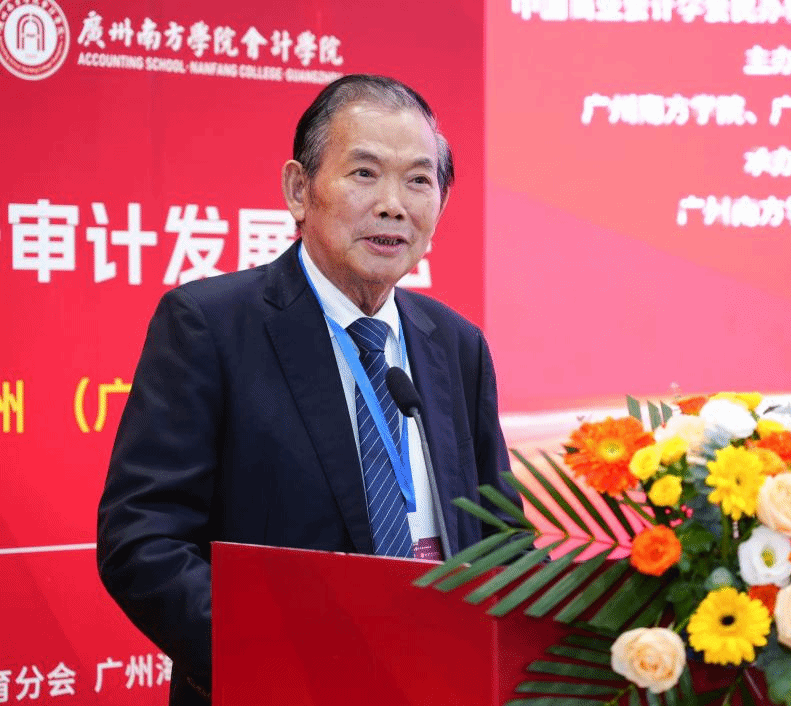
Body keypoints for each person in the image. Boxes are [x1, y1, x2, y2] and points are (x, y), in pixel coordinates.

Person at [97, 74, 516, 706]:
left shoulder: (457, 345)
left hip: (438, 683)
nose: (393, 205)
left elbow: (502, 536)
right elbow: (143, 537)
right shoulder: (212, 325)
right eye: (365, 173)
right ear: (299, 189)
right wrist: (272, 662)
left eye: (418, 180)